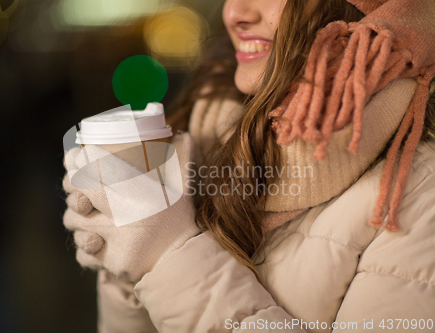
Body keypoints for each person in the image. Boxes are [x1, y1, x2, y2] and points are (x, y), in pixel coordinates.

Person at [63, 0, 435, 331]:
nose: (234, 13)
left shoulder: (420, 190)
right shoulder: (211, 121)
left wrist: (170, 257)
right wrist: (127, 258)